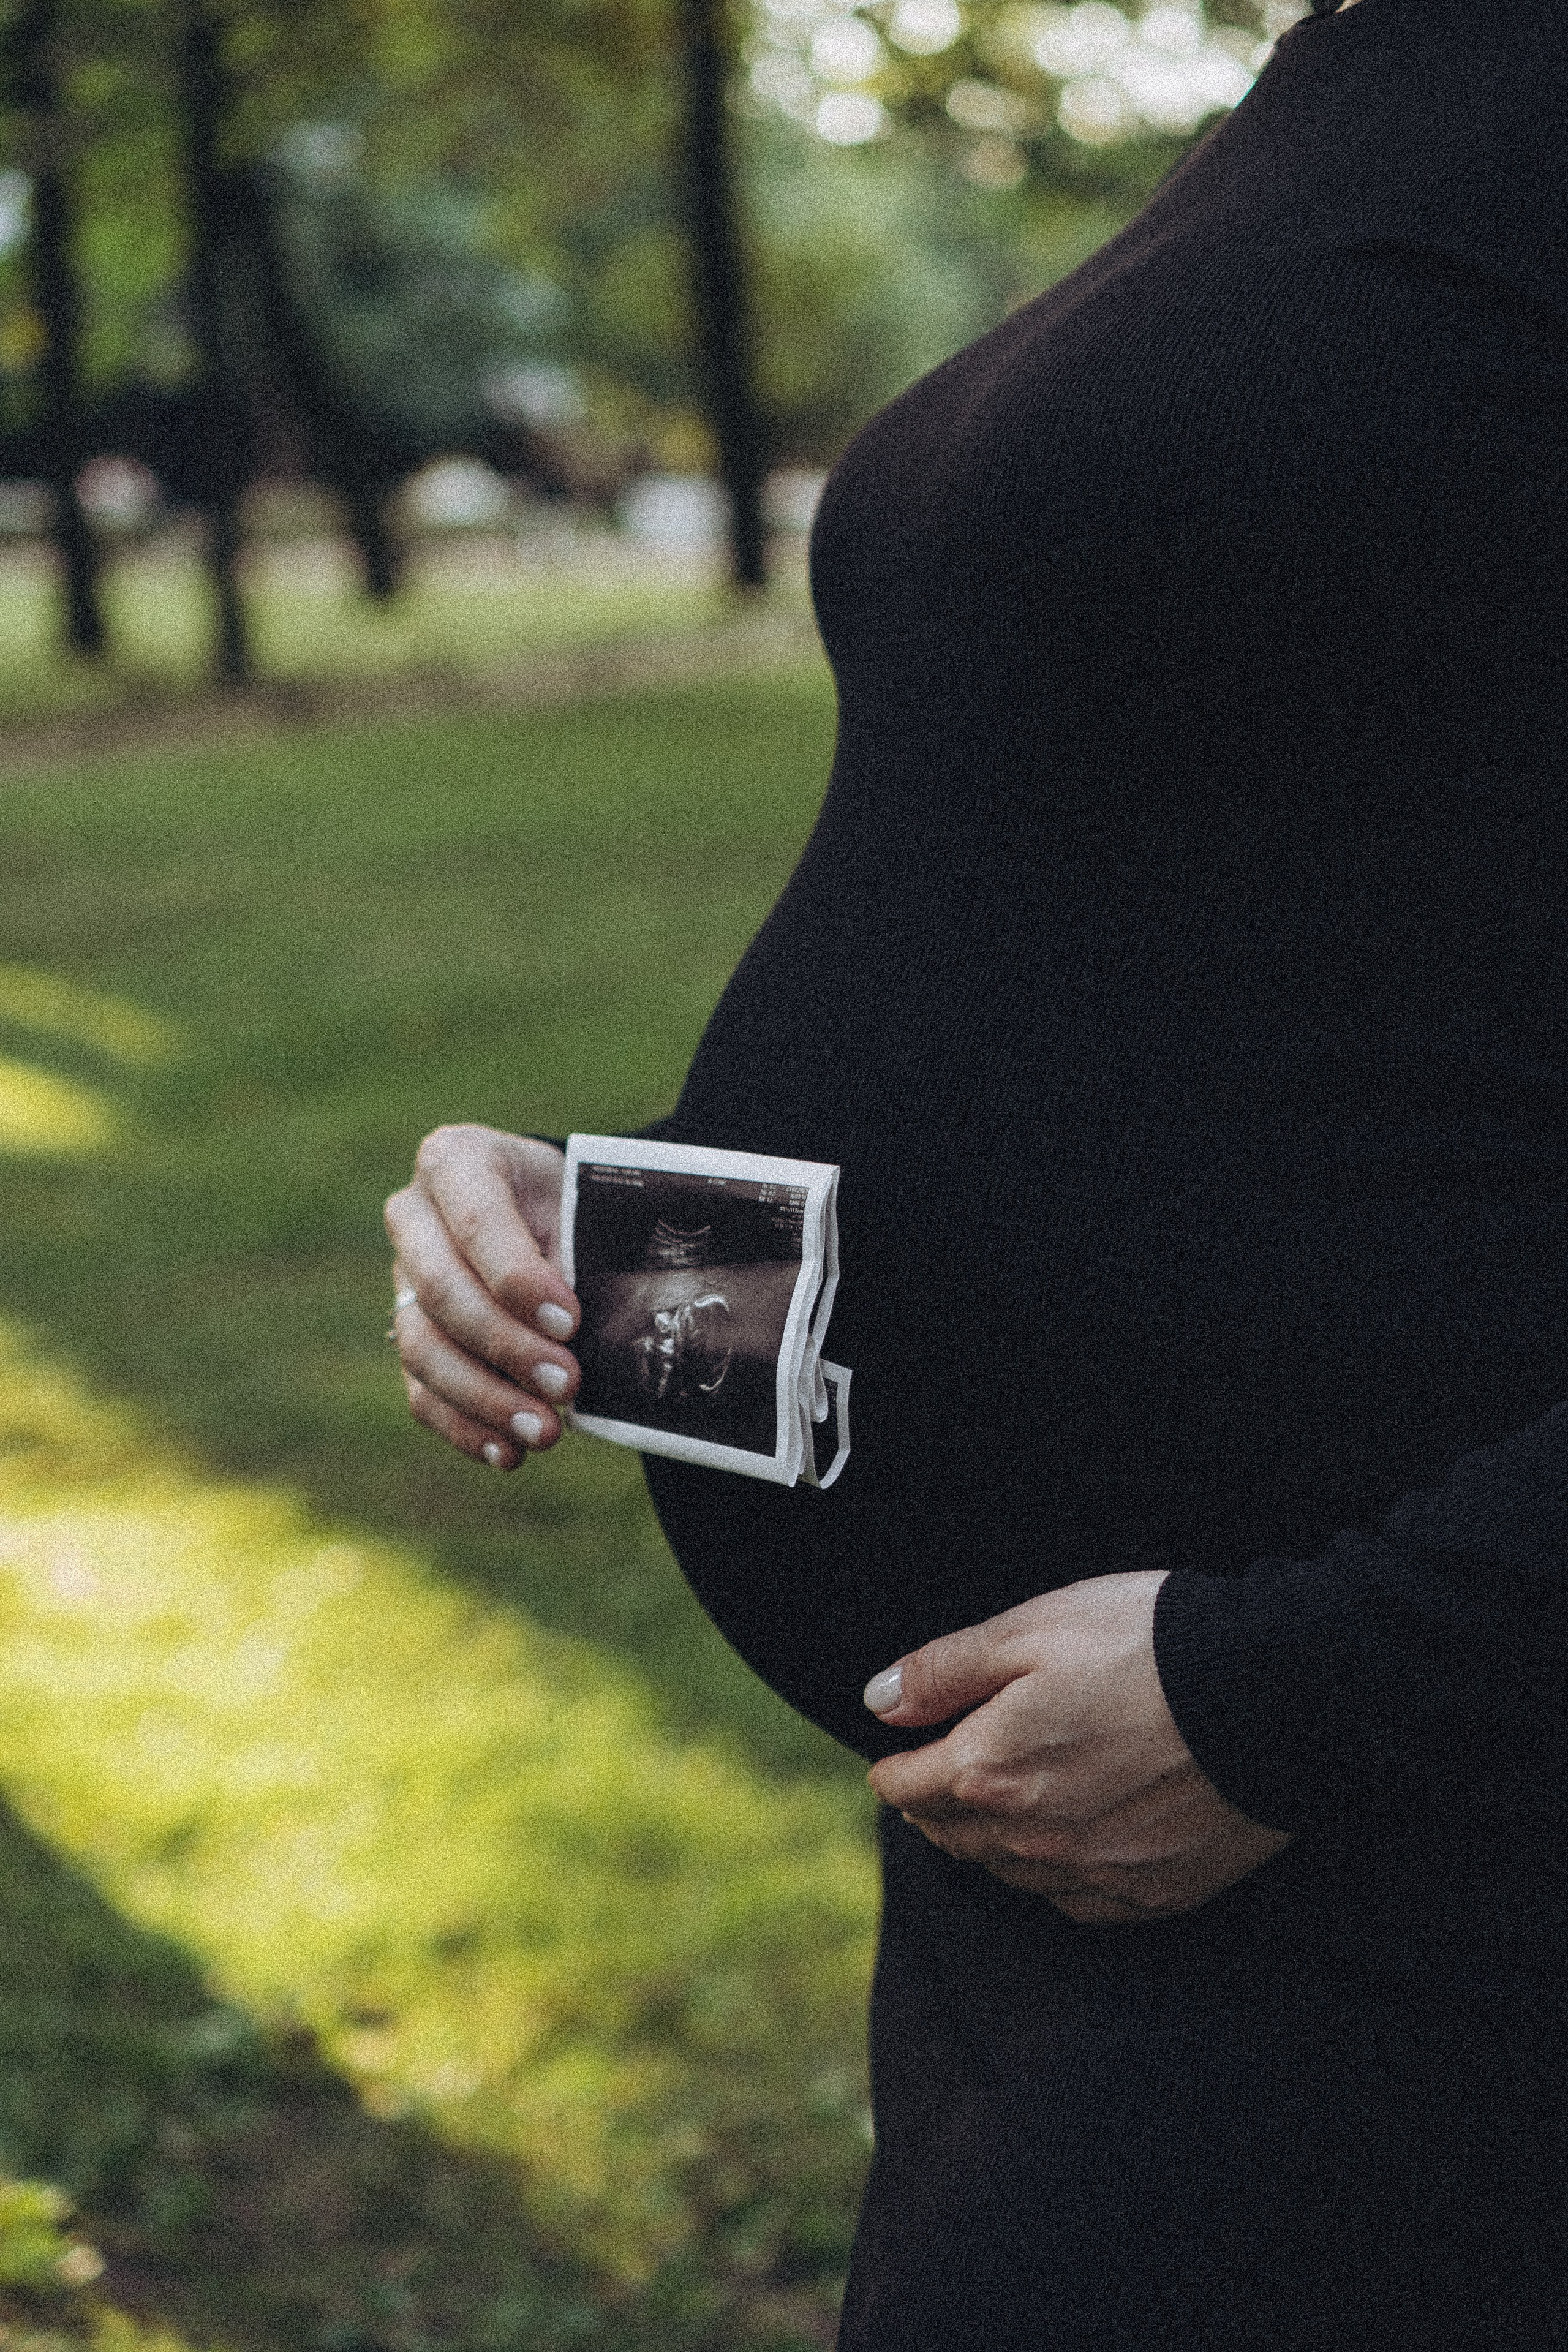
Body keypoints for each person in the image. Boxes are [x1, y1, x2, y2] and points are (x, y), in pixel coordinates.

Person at [385, 0, 1568, 2340]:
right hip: (1070, 1847)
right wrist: (610, 1251)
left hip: (1412, 1858)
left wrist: (1303, 1690)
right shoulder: (1358, 78)